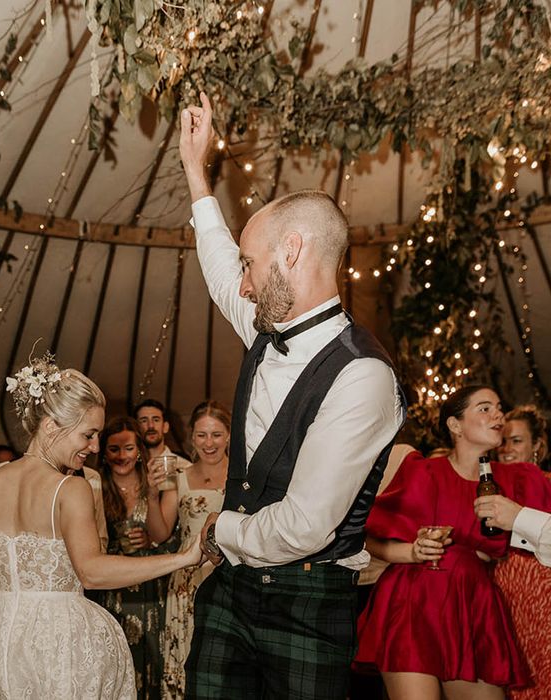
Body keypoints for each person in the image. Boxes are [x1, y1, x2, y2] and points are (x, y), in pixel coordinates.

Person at [179, 92, 405, 699]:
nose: (243, 283)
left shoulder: (364, 375)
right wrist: (195, 171)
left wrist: (222, 531)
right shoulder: (264, 322)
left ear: (294, 251)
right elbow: (220, 264)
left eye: (253, 265)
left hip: (307, 600)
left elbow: (305, 524)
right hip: (230, 595)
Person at [0, 352, 201, 699]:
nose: (95, 446)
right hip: (56, 639)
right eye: (88, 434)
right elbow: (92, 572)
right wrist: (183, 558)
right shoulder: (70, 487)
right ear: (51, 426)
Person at [354, 386, 551, 699]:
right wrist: (410, 551)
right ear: (455, 425)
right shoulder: (423, 473)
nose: (498, 413)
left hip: (473, 604)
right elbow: (366, 536)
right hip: (413, 602)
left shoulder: (520, 479)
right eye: (485, 408)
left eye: (499, 406)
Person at [149, 400, 231, 699]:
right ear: (192, 437)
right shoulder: (178, 477)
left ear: (229, 436)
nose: (208, 443)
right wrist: (150, 492)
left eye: (216, 434)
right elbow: (159, 533)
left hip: (229, 577)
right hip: (187, 579)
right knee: (184, 657)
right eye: (201, 435)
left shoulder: (241, 477)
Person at [98, 416, 179, 698]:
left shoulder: (154, 483)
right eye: (114, 449)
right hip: (111, 592)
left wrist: (153, 499)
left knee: (151, 660)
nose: (122, 456)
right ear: (104, 453)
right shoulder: (95, 487)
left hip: (149, 590)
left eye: (129, 448)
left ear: (140, 451)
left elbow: (162, 533)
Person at [490, 405, 551, 699]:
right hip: (502, 595)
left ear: (537, 445)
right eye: (502, 441)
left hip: (543, 597)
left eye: (516, 441)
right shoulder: (488, 489)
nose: (506, 449)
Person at [134, 398, 191, 469]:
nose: (151, 426)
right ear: (136, 428)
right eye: (144, 421)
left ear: (165, 427)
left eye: (156, 420)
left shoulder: (184, 467)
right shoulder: (130, 466)